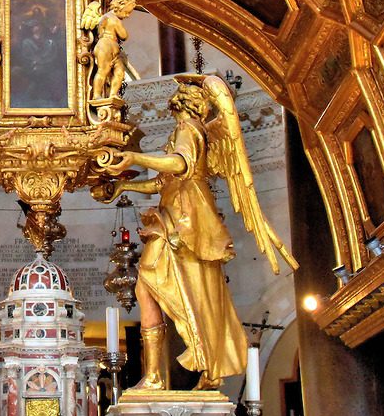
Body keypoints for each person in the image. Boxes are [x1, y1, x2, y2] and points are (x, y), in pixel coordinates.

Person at [101, 77, 294, 390]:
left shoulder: (188, 129)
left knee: (165, 289)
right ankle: (157, 376)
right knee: (158, 289)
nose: (174, 95)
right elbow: (163, 181)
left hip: (185, 223)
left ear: (186, 100)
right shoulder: (186, 131)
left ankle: (161, 375)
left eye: (181, 91)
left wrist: (135, 158)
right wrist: (124, 186)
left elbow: (179, 166)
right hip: (174, 218)